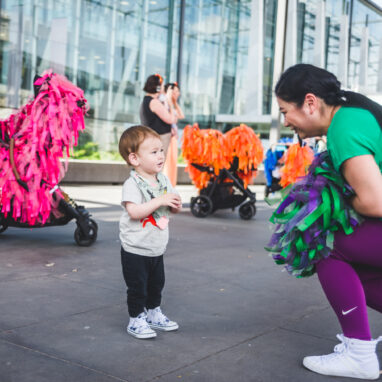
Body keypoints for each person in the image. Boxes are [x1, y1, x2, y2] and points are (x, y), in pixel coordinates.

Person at [275, 63, 382, 379]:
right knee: (355, 275)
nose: (285, 122)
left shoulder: (343, 126)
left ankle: (359, 355)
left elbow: (375, 201)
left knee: (325, 243)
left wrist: (325, 197)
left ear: (310, 102)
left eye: (285, 111)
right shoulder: (354, 112)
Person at [118, 125, 182, 339]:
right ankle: (136, 319)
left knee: (156, 285)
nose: (160, 155)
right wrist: (160, 200)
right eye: (153, 152)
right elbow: (134, 212)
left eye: (161, 150)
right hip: (135, 248)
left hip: (156, 247)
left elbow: (170, 205)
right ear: (135, 159)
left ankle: (154, 313)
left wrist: (174, 205)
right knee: (138, 287)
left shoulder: (163, 180)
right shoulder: (132, 184)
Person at [140, 74, 178, 157]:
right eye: (162, 85)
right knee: (155, 164)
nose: (163, 88)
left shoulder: (150, 100)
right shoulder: (154, 102)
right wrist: (170, 103)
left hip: (156, 138)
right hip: (159, 138)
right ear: (157, 87)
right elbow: (171, 119)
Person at [163, 82, 185, 186]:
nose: (178, 93)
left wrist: (175, 103)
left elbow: (181, 116)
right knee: (167, 162)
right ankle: (167, 184)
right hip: (168, 135)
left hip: (173, 137)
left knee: (173, 161)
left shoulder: (172, 104)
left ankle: (171, 185)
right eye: (175, 91)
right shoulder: (165, 103)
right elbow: (169, 119)